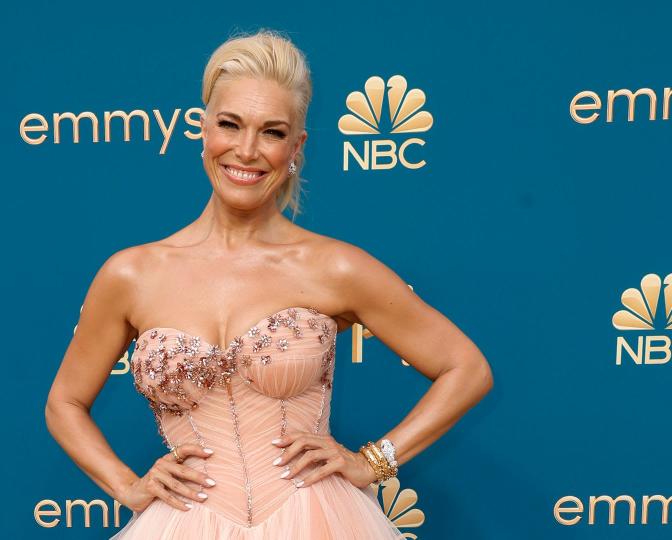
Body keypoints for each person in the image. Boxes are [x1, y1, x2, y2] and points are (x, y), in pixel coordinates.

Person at [45, 29, 493, 539]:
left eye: (273, 132)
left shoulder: (334, 267)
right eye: (230, 125)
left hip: (320, 521)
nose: (247, 150)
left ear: (297, 146)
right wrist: (126, 486)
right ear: (203, 129)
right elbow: (65, 403)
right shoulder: (131, 274)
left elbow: (466, 368)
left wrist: (375, 461)